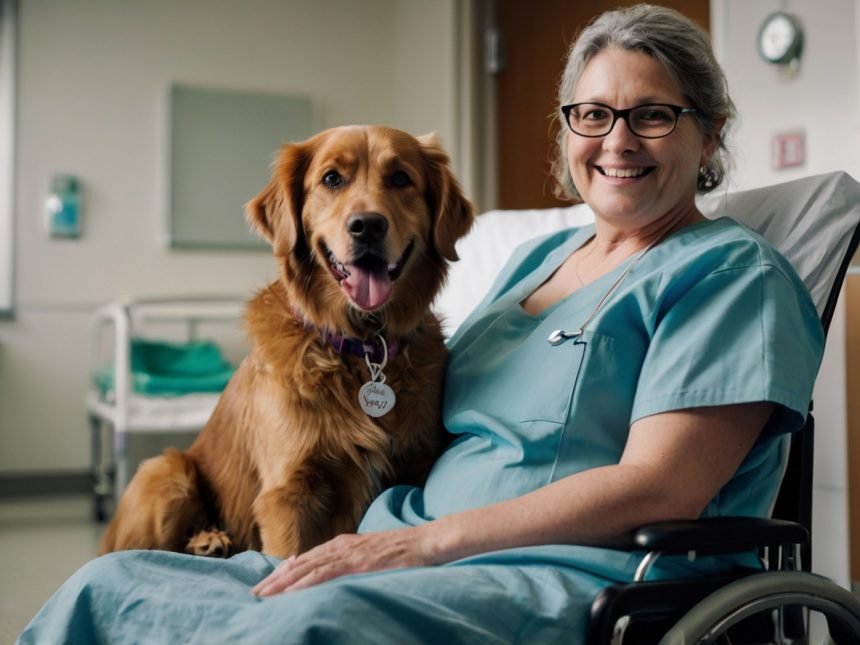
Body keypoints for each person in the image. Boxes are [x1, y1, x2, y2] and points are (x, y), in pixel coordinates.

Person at [19, 5, 824, 643]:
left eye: (652, 115)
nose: (616, 139)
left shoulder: (731, 275)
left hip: (560, 573)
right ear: (567, 130)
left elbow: (664, 486)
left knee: (297, 626)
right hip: (385, 547)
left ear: (709, 132)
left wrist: (427, 542)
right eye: (592, 113)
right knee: (103, 588)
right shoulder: (539, 260)